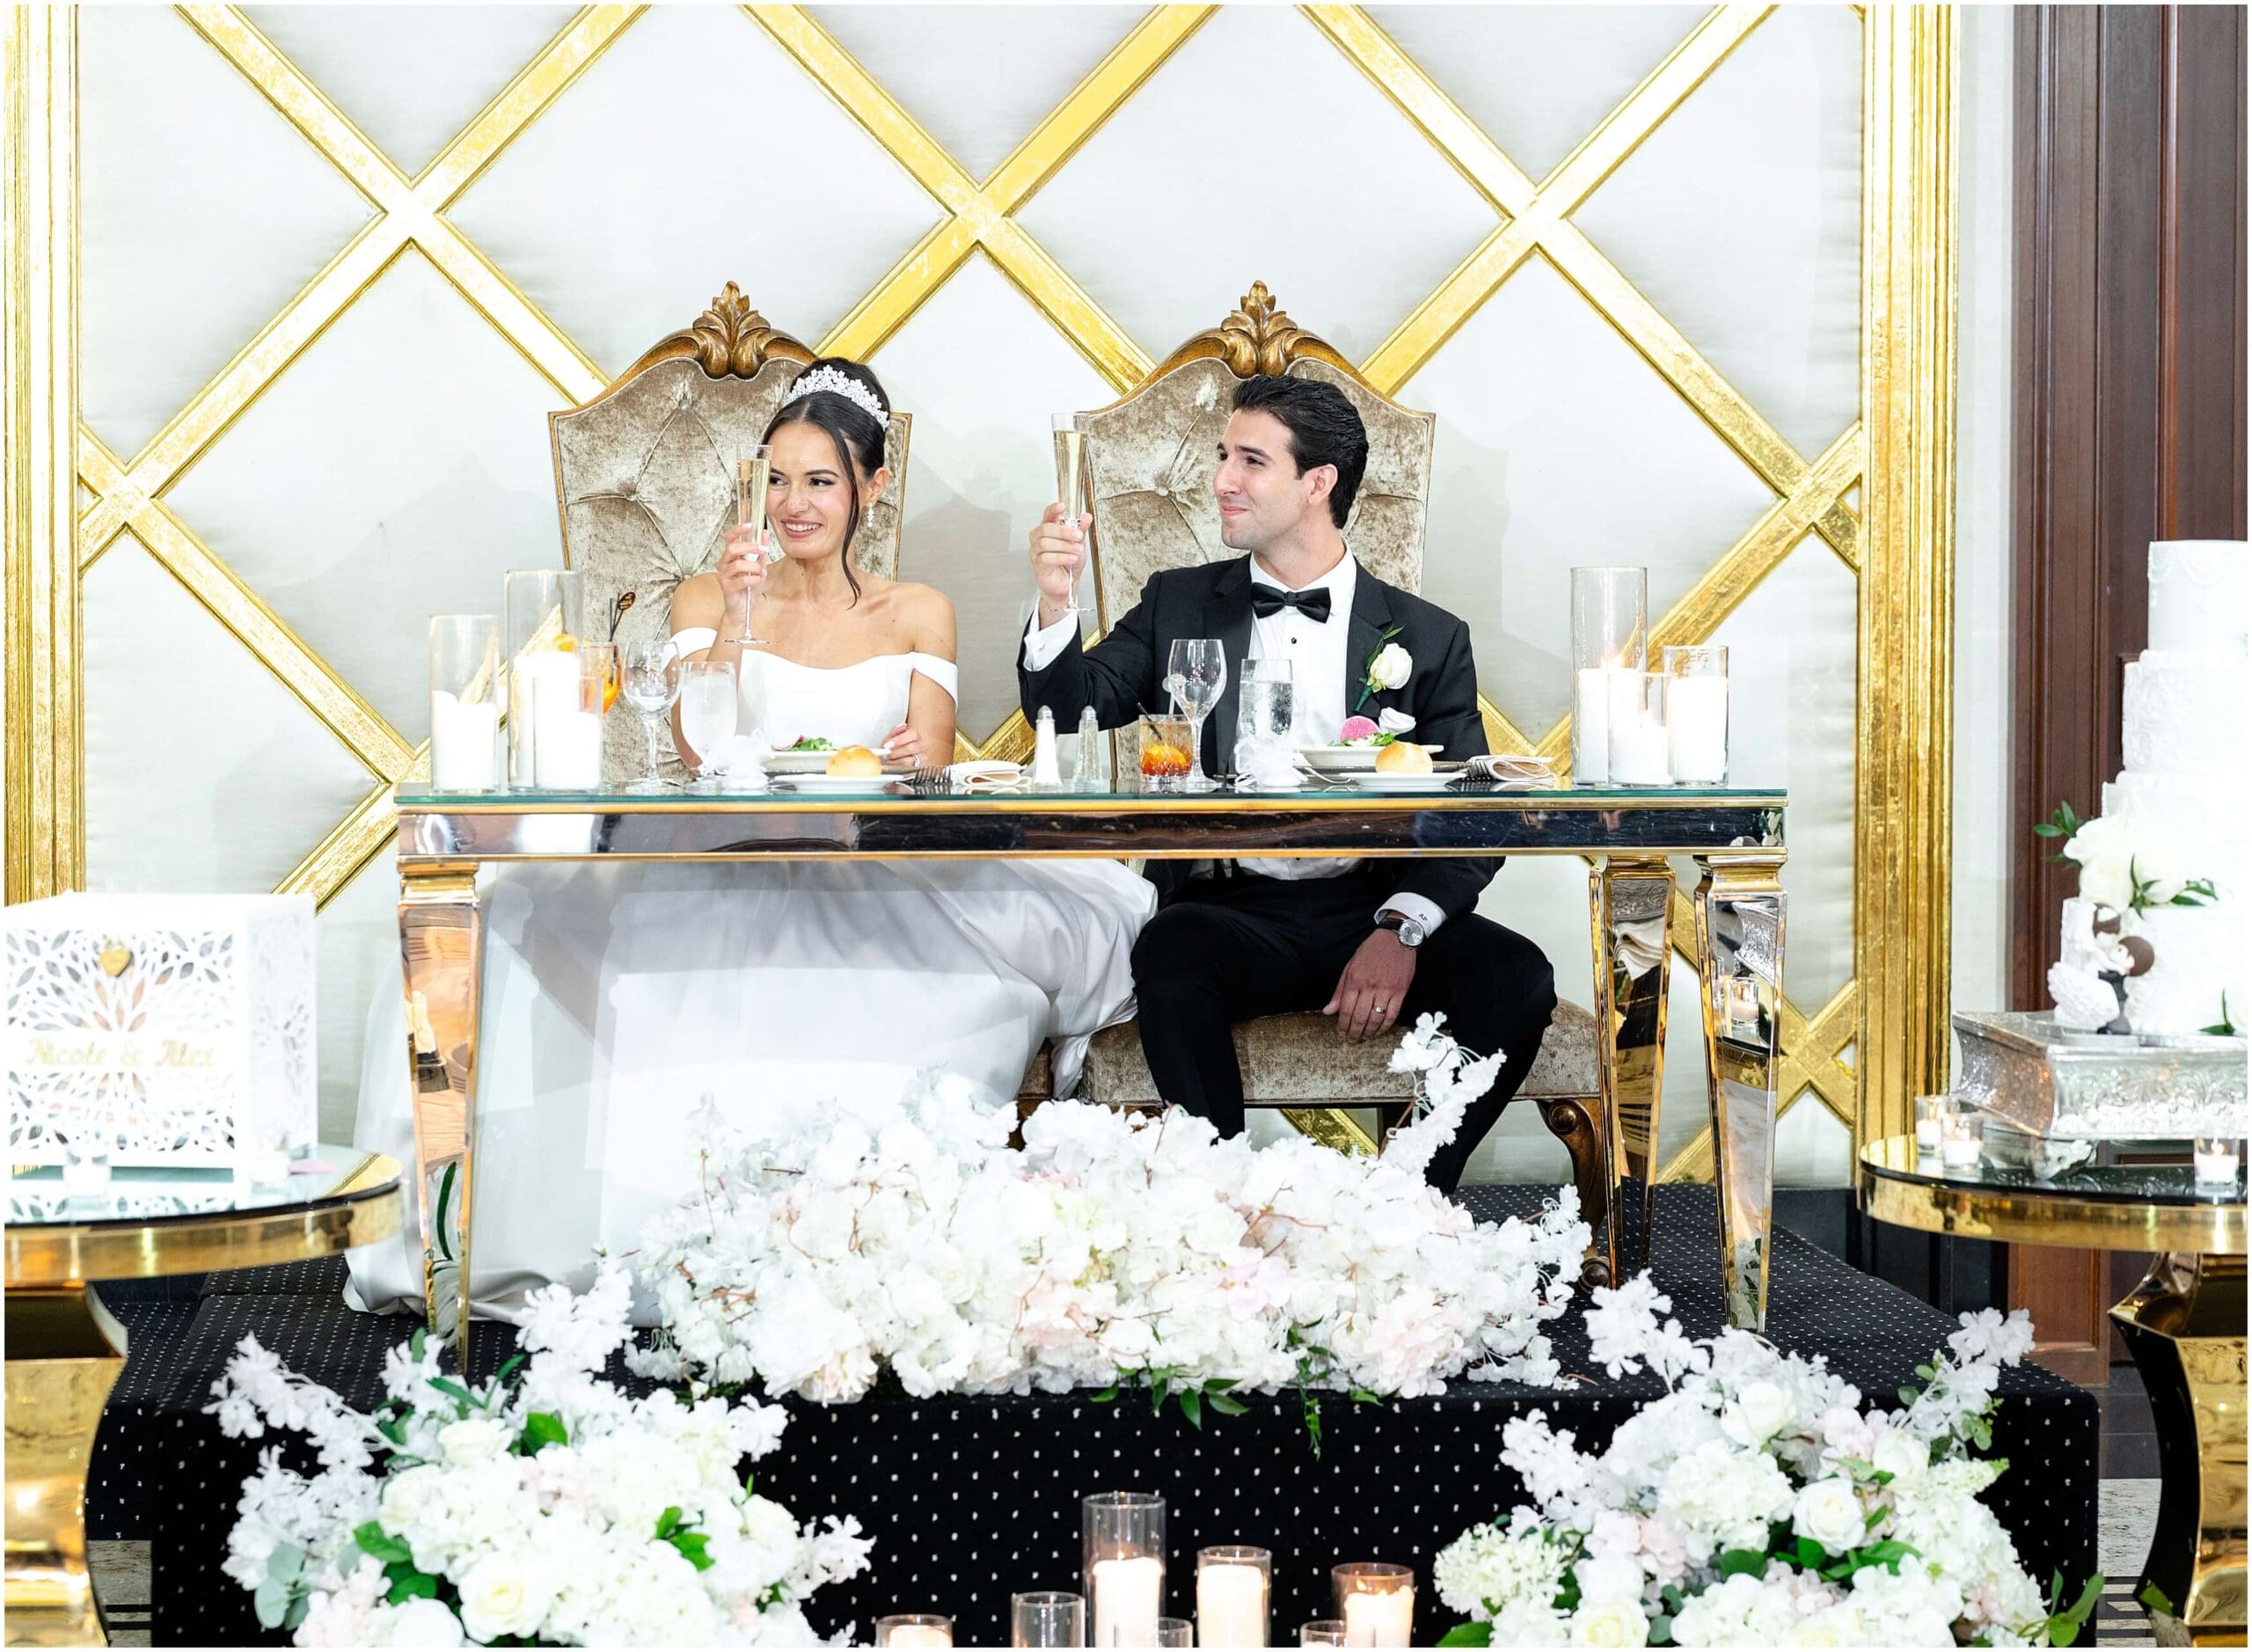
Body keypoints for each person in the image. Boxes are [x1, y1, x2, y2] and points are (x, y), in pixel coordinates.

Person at [349, 359, 1154, 1323]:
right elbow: (697, 743)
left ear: (871, 487)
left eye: (819, 480)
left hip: (871, 869)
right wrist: (734, 615)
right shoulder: (704, 597)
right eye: (776, 479)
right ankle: (582, 1239)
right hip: (717, 856)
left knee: (933, 995)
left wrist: (898, 757)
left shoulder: (915, 609)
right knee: (510, 917)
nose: (793, 503)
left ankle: (859, 1250)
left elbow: (930, 760)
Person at [1019, 373, 1555, 1193]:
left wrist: (1401, 930)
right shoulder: (1179, 603)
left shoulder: (1427, 637)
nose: (1223, 480)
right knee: (1172, 949)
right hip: (1231, 913)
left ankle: (1407, 1196)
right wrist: (1056, 603)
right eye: (1222, 456)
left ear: (1318, 484)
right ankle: (1223, 1206)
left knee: (1516, 976)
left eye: (1250, 461)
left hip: (1365, 905)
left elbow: (1471, 818)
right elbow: (1070, 706)